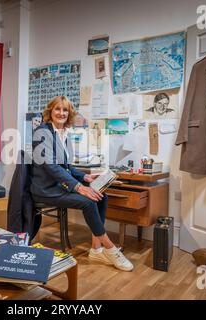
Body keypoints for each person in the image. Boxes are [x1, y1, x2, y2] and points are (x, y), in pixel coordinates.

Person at [30, 96, 134, 271]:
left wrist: (85, 178)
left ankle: (95, 249)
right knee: (88, 201)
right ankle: (110, 248)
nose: (61, 113)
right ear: (50, 111)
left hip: (59, 185)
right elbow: (51, 166)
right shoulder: (42, 132)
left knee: (101, 196)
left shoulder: (64, 134)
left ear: (69, 114)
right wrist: (79, 187)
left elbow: (67, 167)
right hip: (45, 189)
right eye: (57, 109)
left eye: (65, 110)